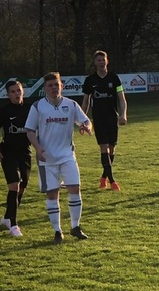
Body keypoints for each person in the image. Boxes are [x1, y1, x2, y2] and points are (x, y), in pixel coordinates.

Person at [25, 72, 92, 243]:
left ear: (62, 85)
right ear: (45, 88)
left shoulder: (71, 104)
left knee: (75, 188)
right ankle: (57, 231)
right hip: (46, 159)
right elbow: (30, 130)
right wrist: (38, 148)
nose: (54, 88)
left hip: (67, 155)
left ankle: (75, 227)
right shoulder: (38, 106)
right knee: (52, 194)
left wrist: (87, 126)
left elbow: (86, 121)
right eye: (50, 85)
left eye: (56, 84)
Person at [81, 50, 128, 190]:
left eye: (103, 60)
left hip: (112, 117)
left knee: (112, 149)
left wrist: (123, 114)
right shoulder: (90, 80)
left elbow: (122, 98)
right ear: (95, 63)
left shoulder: (115, 79)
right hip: (98, 118)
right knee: (104, 147)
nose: (101, 62)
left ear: (107, 61)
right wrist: (82, 119)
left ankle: (103, 177)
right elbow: (86, 101)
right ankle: (112, 181)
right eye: (99, 60)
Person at [0, 80, 32, 237]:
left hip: (25, 152)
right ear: (8, 94)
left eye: (18, 90)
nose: (16, 94)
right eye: (13, 92)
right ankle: (13, 224)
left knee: (23, 186)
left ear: (23, 91)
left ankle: (7, 217)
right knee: (14, 185)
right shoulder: (4, 111)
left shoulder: (31, 109)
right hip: (8, 153)